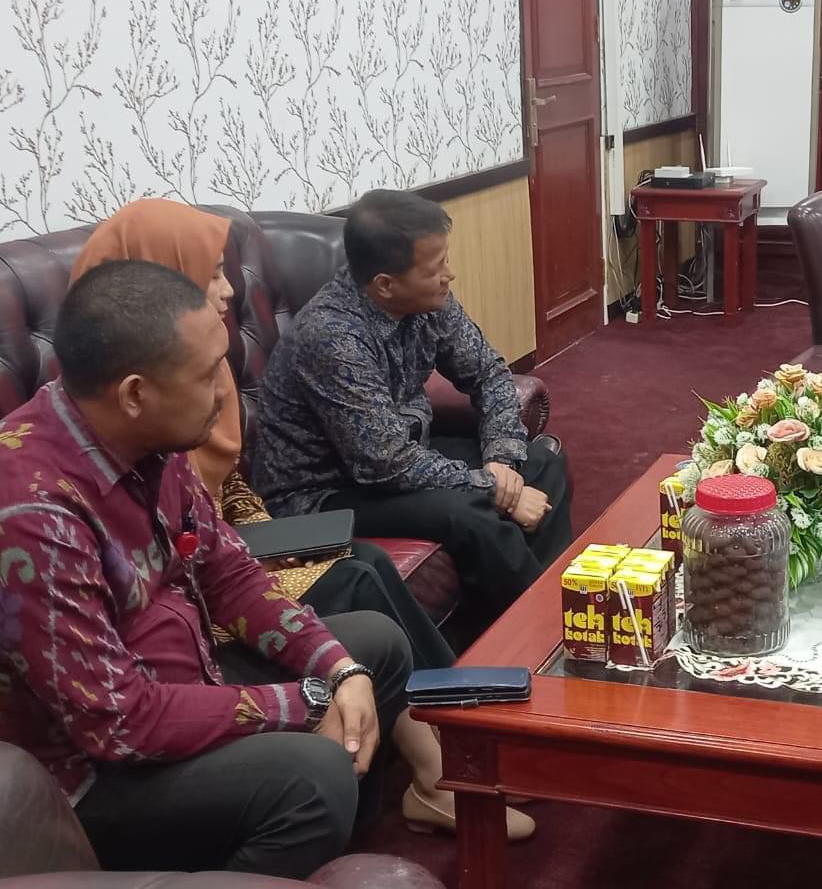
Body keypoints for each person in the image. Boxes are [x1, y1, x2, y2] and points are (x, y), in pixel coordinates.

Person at [65, 199, 533, 842]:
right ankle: (449, 756)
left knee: (380, 595)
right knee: (365, 569)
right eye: (211, 275)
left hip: (238, 553)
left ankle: (467, 732)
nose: (228, 291)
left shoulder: (162, 424)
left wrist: (334, 661)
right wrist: (313, 691)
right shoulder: (51, 498)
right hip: (174, 655)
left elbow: (221, 525)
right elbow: (120, 700)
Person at [0, 260, 405, 878]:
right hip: (98, 775)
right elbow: (121, 723)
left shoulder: (148, 439)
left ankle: (333, 852)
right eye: (208, 371)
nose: (226, 388)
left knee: (375, 646)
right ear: (135, 394)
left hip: (185, 682)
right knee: (314, 778)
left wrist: (337, 670)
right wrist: (309, 700)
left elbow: (229, 574)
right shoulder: (33, 516)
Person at [253, 189, 572, 632]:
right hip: (327, 492)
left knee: (540, 462)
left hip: (395, 459)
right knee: (470, 513)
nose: (449, 274)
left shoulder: (428, 302)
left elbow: (489, 374)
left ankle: (544, 608)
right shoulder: (332, 336)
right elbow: (383, 463)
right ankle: (544, 633)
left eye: (446, 260)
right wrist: (494, 488)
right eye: (436, 267)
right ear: (386, 283)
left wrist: (502, 460)